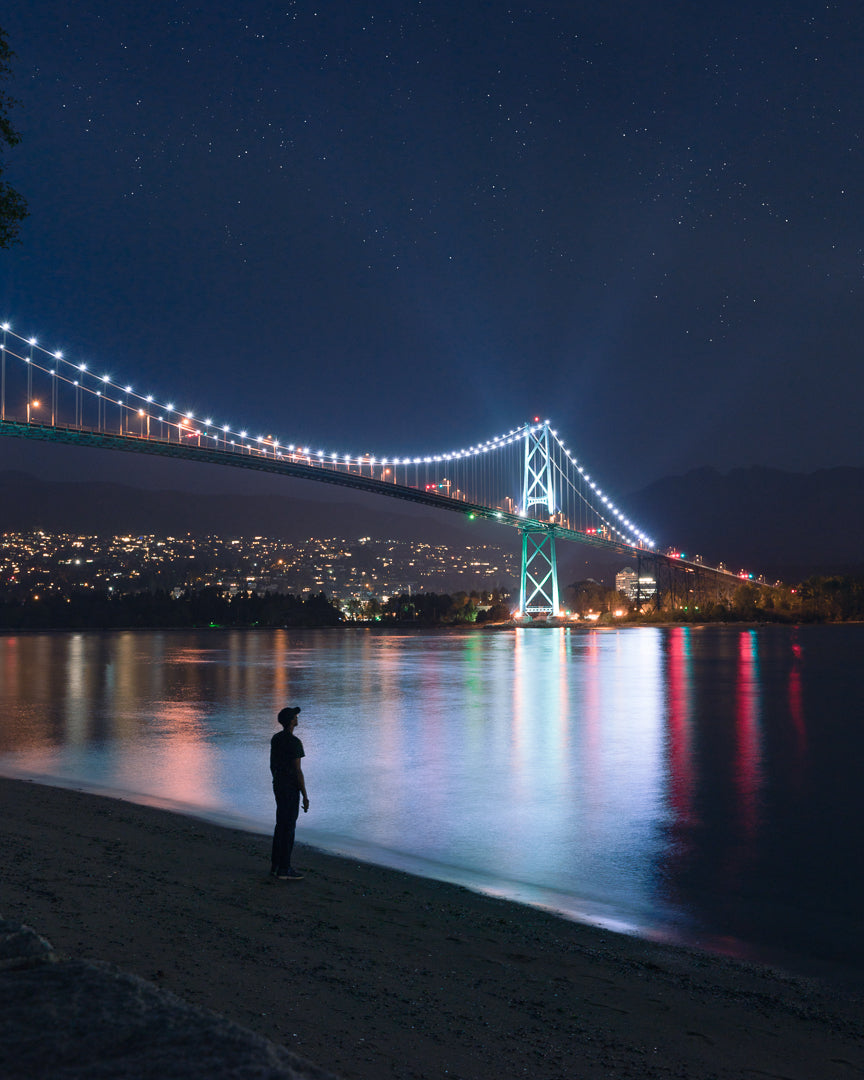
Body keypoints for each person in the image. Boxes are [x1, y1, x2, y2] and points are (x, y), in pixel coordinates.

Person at [270, 705, 309, 881]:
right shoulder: (295, 743)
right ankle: (285, 869)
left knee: (280, 826)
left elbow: (272, 764)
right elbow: (298, 771)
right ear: (291, 721)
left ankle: (276, 866)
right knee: (289, 828)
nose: (297, 718)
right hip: (290, 788)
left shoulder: (276, 739)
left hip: (278, 785)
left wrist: (277, 780)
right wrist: (305, 795)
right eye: (295, 716)